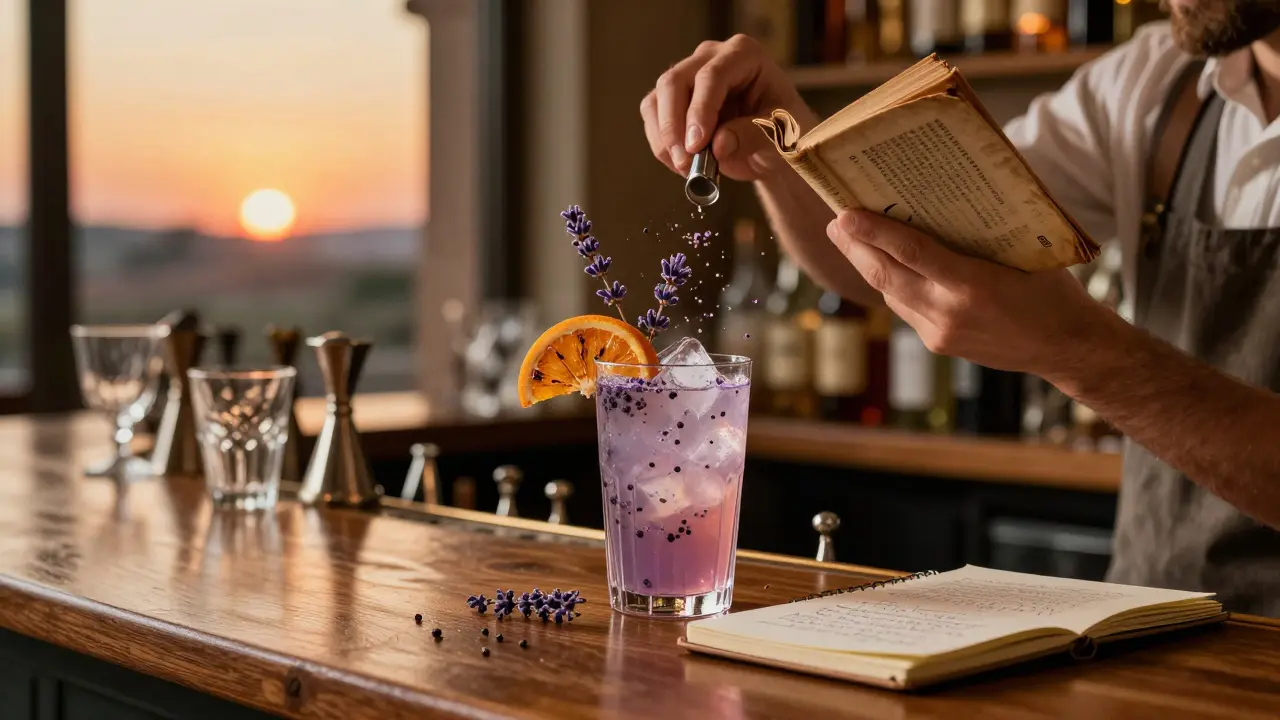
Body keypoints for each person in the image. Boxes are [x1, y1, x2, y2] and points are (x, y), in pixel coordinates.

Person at [641, 0, 1280, 617]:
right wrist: (784, 140)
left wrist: (1077, 351)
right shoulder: (1156, 83)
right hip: (1156, 628)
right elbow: (905, 248)